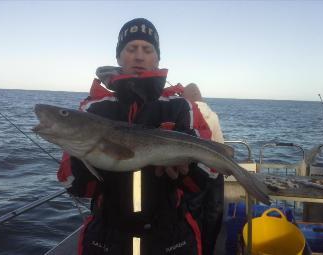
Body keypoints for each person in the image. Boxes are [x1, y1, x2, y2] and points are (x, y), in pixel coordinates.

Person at [57, 18, 220, 255]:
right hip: (106, 238)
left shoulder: (180, 106)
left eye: (147, 49)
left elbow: (207, 176)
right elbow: (74, 185)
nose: (139, 56)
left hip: (171, 238)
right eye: (131, 49)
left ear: (157, 58)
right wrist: (86, 159)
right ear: (119, 57)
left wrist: (188, 168)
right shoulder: (94, 109)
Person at [182, 83, 225, 255]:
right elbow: (220, 143)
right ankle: (209, 249)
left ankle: (194, 248)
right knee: (213, 214)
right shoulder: (213, 115)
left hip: (196, 173)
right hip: (216, 171)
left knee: (193, 212)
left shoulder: (187, 114)